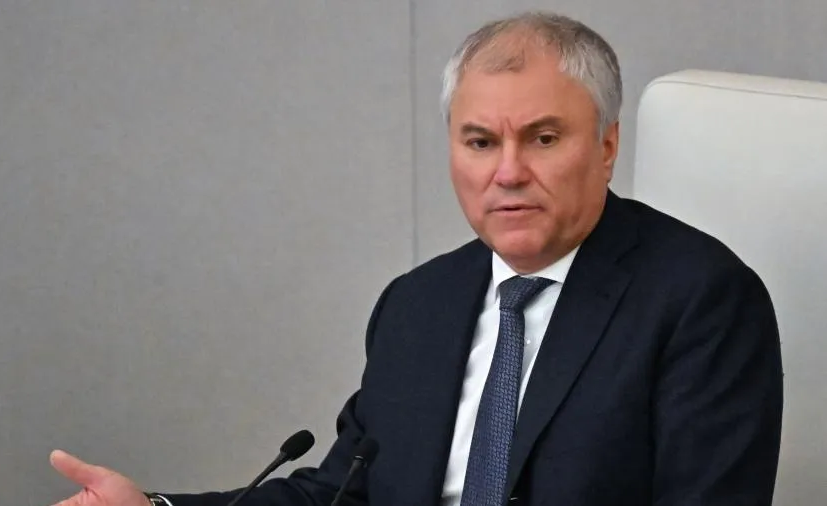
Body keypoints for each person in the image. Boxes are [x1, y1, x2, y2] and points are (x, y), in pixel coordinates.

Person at [49, 11, 783, 506]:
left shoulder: (701, 298)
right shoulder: (418, 303)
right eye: (480, 142)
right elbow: (343, 494)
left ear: (607, 145)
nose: (508, 172)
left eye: (543, 138)